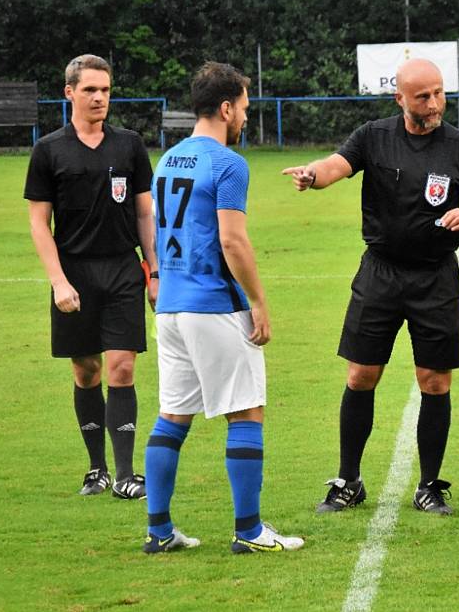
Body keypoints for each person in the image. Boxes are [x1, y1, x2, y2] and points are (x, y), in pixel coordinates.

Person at [283, 58, 459, 516]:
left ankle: (429, 486)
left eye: (440, 93)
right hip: (380, 273)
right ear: (400, 98)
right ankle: (348, 480)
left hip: (436, 276)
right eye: (423, 96)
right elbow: (336, 165)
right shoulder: (373, 136)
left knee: (435, 382)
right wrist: (312, 175)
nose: (435, 103)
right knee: (361, 375)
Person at [142, 61, 303, 554]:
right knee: (246, 413)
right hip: (212, 304)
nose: (247, 118)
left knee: (172, 416)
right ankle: (250, 531)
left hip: (169, 306)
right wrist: (258, 301)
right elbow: (233, 241)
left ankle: (159, 531)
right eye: (245, 109)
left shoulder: (168, 159)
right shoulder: (229, 163)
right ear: (227, 107)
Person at [25, 54, 156, 499]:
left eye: (105, 90)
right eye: (89, 90)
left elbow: (143, 211)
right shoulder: (48, 150)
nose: (99, 97)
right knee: (87, 369)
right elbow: (39, 223)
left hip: (122, 268)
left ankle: (125, 475)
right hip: (74, 271)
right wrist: (59, 281)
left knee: (122, 367)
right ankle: (96, 468)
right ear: (69, 93)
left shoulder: (130, 145)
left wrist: (153, 270)